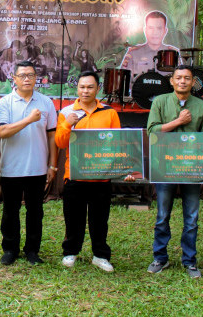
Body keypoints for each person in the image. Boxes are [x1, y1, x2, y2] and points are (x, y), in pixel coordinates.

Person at [146, 64, 203, 278]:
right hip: (165, 166)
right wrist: (178, 121)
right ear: (172, 81)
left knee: (192, 217)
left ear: (193, 83)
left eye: (187, 78)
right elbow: (152, 131)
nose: (183, 81)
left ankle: (190, 261)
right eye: (179, 78)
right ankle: (160, 258)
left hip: (193, 168)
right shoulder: (160, 102)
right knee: (162, 215)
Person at [55, 71, 122, 273]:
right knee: (73, 217)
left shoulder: (109, 113)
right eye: (82, 87)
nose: (86, 91)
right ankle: (70, 252)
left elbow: (117, 143)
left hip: (101, 176)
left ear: (97, 89)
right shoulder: (67, 112)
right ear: (77, 88)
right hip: (74, 174)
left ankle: (100, 255)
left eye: (90, 87)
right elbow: (60, 142)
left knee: (100, 219)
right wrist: (68, 124)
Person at [0, 60, 58, 266]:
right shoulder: (5, 102)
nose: (27, 79)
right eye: (22, 75)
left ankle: (32, 250)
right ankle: (10, 249)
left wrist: (52, 165)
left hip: (37, 167)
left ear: (36, 78)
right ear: (13, 78)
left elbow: (52, 137)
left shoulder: (46, 103)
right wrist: (29, 120)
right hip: (10, 168)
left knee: (35, 212)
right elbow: (2, 132)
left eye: (31, 75)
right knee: (10, 212)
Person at [121, 10, 180, 84]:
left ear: (165, 31)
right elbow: (124, 80)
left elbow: (179, 79)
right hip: (139, 94)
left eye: (159, 28)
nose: (154, 32)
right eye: (151, 28)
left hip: (164, 95)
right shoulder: (134, 53)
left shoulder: (172, 54)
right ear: (145, 30)